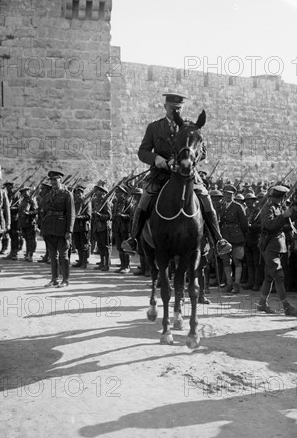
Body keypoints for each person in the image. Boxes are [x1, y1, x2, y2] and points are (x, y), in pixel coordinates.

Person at [121, 93, 231, 257]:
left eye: (178, 108)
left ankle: (218, 240)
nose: (175, 111)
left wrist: (186, 160)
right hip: (160, 174)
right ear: (165, 107)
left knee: (205, 197)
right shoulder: (154, 127)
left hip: (186, 174)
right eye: (172, 108)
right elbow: (142, 152)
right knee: (144, 200)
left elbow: (203, 152)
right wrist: (157, 159)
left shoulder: (190, 127)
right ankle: (133, 239)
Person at [257, 185, 297, 316]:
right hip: (270, 246)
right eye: (282, 197)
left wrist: (294, 210)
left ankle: (262, 304)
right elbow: (269, 226)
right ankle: (287, 307)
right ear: (279, 198)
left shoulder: (279, 207)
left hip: (278, 245)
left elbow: (290, 221)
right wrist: (283, 216)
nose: (283, 200)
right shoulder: (267, 208)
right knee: (278, 275)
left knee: (269, 276)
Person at [41, 170, 75, 287]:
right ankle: (54, 279)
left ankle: (65, 280)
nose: (53, 182)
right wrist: (43, 229)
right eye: (51, 180)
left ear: (61, 180)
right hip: (49, 228)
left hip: (62, 229)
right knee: (52, 255)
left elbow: (71, 214)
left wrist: (69, 230)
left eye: (56, 179)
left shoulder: (67, 194)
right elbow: (44, 213)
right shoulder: (48, 195)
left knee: (63, 255)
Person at [219, 184, 248, 293]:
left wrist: (241, 234)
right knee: (226, 261)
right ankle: (229, 283)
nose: (228, 196)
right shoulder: (221, 207)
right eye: (226, 194)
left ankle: (236, 284)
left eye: (230, 194)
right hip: (224, 237)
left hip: (237, 237)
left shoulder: (238, 206)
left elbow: (244, 224)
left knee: (237, 260)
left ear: (234, 195)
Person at [92, 184, 112, 272]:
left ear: (103, 193)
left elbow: (109, 216)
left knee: (105, 246)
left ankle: (106, 265)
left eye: (98, 191)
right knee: (100, 246)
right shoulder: (97, 202)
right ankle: (102, 263)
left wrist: (99, 215)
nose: (96, 192)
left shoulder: (106, 202)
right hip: (97, 227)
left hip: (104, 227)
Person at [72, 184, 92, 269]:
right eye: (76, 193)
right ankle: (80, 260)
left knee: (84, 245)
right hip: (76, 227)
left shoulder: (86, 202)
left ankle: (84, 262)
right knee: (78, 245)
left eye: (79, 193)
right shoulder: (74, 203)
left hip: (84, 227)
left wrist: (78, 217)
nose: (77, 195)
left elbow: (88, 216)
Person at [18, 187, 38, 262]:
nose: (24, 193)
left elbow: (36, 211)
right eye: (23, 192)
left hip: (30, 222)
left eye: (26, 192)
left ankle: (31, 254)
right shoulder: (23, 201)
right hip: (23, 223)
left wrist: (28, 213)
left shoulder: (32, 200)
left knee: (31, 239)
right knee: (26, 239)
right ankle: (27, 253)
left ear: (29, 192)